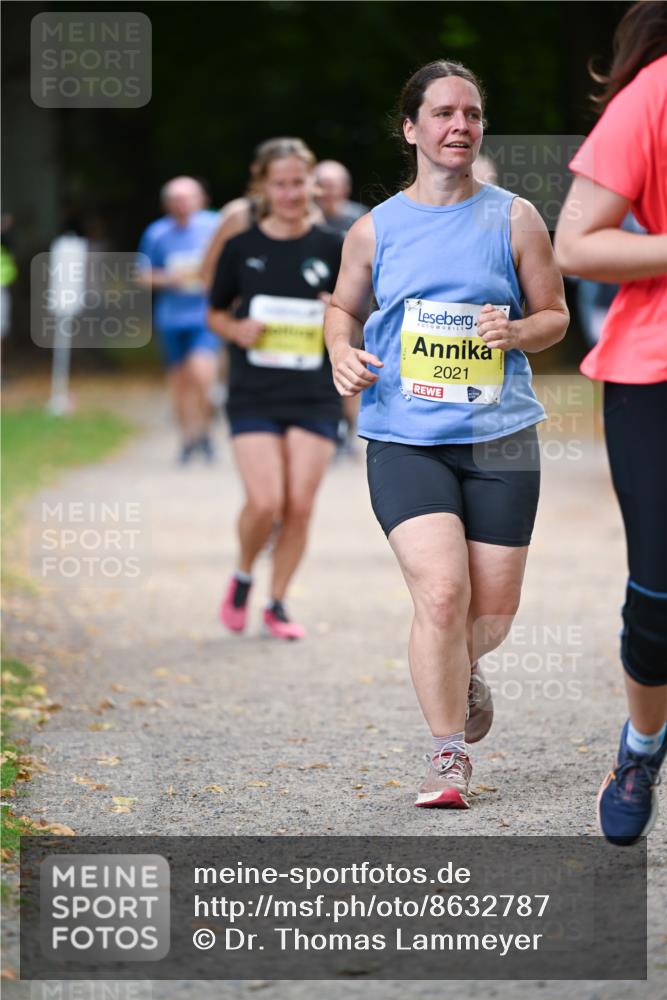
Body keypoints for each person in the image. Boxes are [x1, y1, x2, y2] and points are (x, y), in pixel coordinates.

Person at [325, 60, 568, 808]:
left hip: (498, 439)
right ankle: (445, 755)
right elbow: (342, 310)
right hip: (405, 435)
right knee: (440, 594)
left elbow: (555, 316)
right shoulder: (373, 230)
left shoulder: (515, 218)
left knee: (488, 614)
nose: (458, 125)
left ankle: (463, 667)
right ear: (411, 128)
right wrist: (340, 349)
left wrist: (517, 329)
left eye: (470, 113)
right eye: (441, 113)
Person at [555, 1, 667, 846]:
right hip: (654, 373)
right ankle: (642, 744)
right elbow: (577, 245)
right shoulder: (652, 97)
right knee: (659, 599)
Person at [208, 138, 343, 640]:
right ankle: (243, 575)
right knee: (266, 502)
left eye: (298, 182)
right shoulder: (242, 246)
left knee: (299, 506)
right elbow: (215, 312)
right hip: (254, 391)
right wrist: (235, 330)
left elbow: (364, 315)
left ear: (312, 182)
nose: (290, 193)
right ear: (261, 184)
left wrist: (341, 310)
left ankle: (278, 602)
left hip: (314, 393)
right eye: (280, 183)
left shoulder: (335, 244)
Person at [137, 176, 221, 463]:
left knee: (202, 375)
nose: (181, 204)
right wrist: (167, 278)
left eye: (187, 198)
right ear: (167, 204)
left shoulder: (215, 225)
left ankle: (206, 431)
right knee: (180, 382)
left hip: (205, 315)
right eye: (175, 199)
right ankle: (189, 438)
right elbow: (142, 274)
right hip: (171, 317)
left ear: (201, 199)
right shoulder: (157, 233)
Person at [314, 160, 368, 234]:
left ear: (346, 188)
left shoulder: (361, 218)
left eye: (330, 186)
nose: (325, 192)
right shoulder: (305, 218)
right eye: (320, 185)